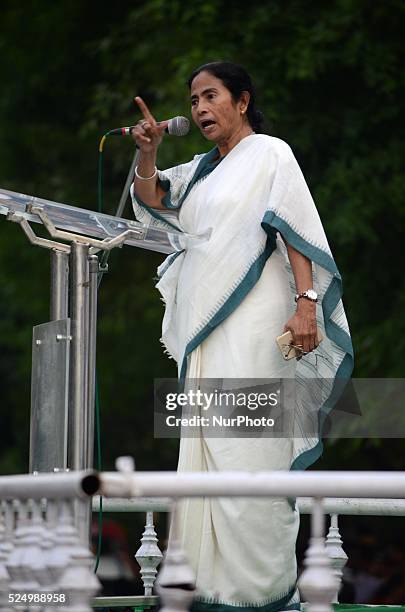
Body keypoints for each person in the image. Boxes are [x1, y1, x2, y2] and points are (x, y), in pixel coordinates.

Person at [130, 61, 354, 611]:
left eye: (211, 96)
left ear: (242, 101)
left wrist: (306, 305)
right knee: (207, 450)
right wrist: (148, 152)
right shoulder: (203, 170)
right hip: (207, 331)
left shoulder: (270, 153)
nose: (200, 108)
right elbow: (155, 197)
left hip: (258, 319)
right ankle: (210, 594)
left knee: (249, 451)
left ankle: (262, 595)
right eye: (193, 100)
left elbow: (293, 226)